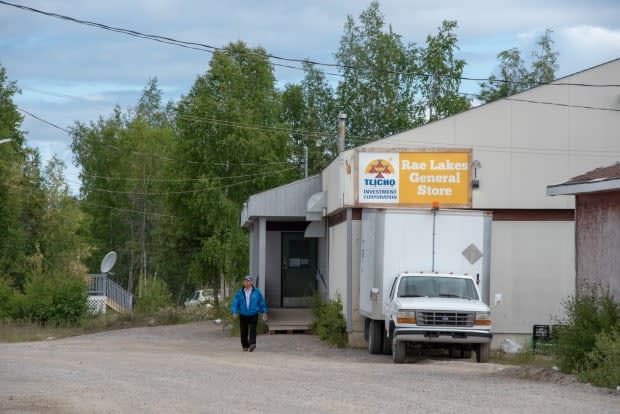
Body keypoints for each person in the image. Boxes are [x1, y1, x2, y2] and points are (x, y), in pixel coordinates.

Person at [230, 275, 268, 352]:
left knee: (253, 329)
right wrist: (234, 312)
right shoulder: (240, 292)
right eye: (245, 281)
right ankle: (245, 345)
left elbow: (261, 303)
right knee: (244, 331)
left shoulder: (256, 292)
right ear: (243, 282)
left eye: (249, 281)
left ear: (251, 282)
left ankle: (252, 344)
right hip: (243, 315)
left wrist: (264, 312)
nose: (247, 282)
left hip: (253, 314)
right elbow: (235, 303)